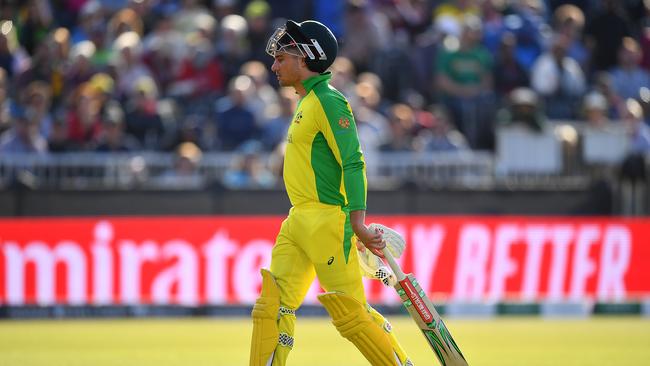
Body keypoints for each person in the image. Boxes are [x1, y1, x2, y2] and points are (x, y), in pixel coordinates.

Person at [249, 19, 412, 366]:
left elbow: (354, 162)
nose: (274, 65)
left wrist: (358, 224)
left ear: (306, 58)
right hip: (298, 220)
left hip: (327, 220)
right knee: (271, 306)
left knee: (351, 315)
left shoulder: (329, 101)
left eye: (282, 58)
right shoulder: (306, 101)